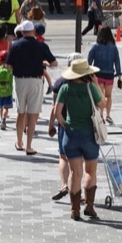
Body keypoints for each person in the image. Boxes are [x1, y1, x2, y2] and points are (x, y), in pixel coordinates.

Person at [54, 59, 104, 221]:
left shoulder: (65, 88)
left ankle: (74, 210)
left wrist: (66, 126)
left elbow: (57, 112)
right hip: (89, 135)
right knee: (90, 171)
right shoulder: (90, 88)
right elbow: (102, 103)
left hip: (71, 135)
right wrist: (96, 83)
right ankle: (89, 206)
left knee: (75, 173)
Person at [5, 20, 58, 155]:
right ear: (33, 31)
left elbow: (9, 66)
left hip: (20, 81)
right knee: (33, 114)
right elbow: (54, 63)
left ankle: (19, 142)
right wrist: (43, 62)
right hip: (36, 81)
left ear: (22, 32)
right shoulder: (41, 45)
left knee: (20, 112)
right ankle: (29, 146)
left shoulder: (15, 45)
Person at [48, 52, 83, 202]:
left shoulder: (60, 82)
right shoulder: (86, 81)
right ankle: (78, 192)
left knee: (63, 157)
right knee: (78, 161)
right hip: (83, 126)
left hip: (64, 125)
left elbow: (55, 107)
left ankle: (64, 185)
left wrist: (51, 124)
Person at [87, 26, 122, 125]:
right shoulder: (113, 47)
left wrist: (88, 72)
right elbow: (117, 62)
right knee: (108, 96)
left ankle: (101, 115)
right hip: (109, 75)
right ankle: (108, 115)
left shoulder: (95, 46)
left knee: (100, 95)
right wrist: (119, 75)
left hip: (98, 74)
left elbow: (89, 60)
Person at [0, 51, 13, 131]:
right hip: (8, 91)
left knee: (1, 107)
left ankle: (1, 119)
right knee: (6, 107)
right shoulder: (9, 69)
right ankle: (3, 120)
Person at [34, 24, 54, 95]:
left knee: (42, 74)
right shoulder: (42, 40)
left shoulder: (35, 39)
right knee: (43, 74)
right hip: (42, 59)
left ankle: (50, 86)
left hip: (38, 60)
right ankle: (50, 85)